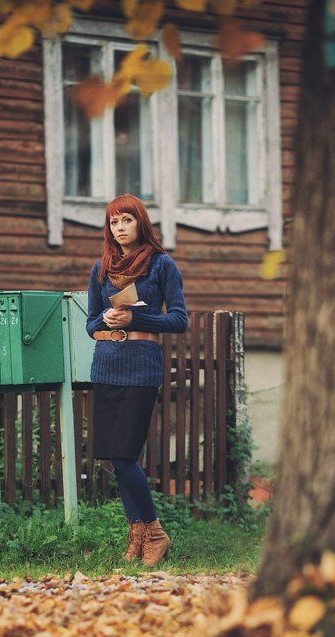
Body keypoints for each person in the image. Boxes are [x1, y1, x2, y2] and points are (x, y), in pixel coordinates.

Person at [86, 193, 188, 566]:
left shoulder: (162, 266)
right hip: (106, 366)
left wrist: (136, 319)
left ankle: (156, 533)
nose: (120, 228)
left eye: (127, 220)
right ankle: (138, 535)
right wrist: (107, 320)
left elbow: (179, 320)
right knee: (114, 456)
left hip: (141, 369)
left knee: (125, 454)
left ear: (140, 223)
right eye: (114, 222)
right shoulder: (100, 269)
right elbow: (89, 323)